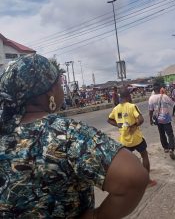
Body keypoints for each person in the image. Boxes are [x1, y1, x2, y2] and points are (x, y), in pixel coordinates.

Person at [0, 54, 149, 219]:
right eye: (59, 83)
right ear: (50, 92)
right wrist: (97, 216)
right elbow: (133, 178)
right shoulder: (64, 133)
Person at [108, 87, 157, 187]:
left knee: (126, 162)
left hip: (124, 140)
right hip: (136, 139)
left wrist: (118, 125)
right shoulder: (132, 106)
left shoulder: (116, 108)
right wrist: (134, 126)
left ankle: (128, 182)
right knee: (144, 156)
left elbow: (109, 120)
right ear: (128, 96)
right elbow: (141, 119)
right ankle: (147, 181)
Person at [149, 83, 175, 160]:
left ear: (153, 90)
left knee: (161, 133)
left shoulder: (151, 98)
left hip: (158, 119)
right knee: (170, 134)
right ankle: (171, 148)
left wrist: (150, 119)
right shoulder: (164, 96)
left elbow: (150, 111)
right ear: (160, 89)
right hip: (166, 118)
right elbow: (173, 104)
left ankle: (165, 148)